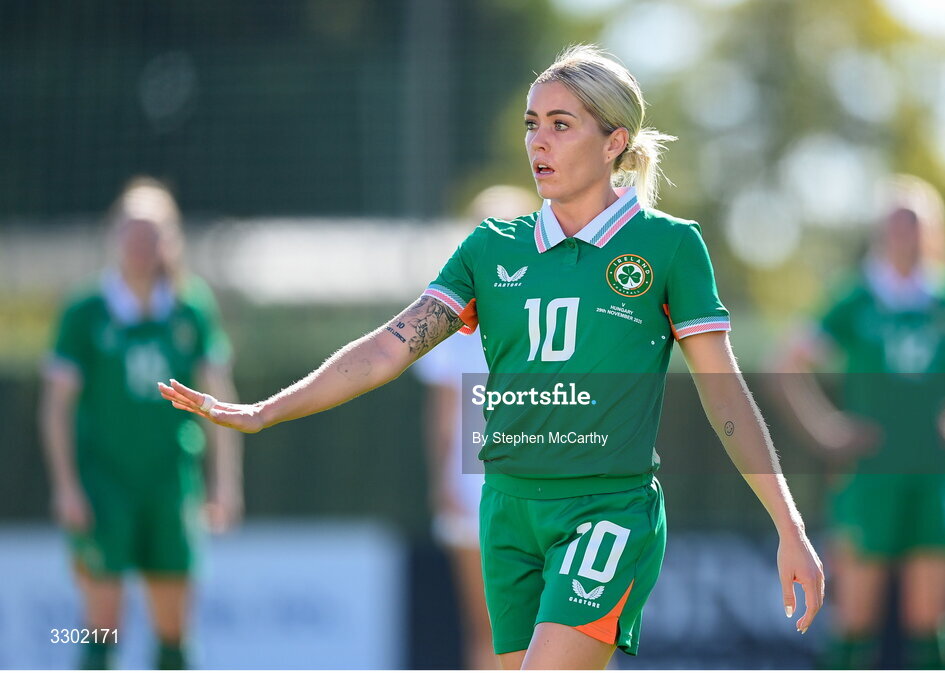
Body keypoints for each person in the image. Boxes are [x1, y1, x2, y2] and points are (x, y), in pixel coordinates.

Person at [160, 45, 823, 670]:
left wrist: (787, 525)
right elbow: (389, 346)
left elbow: (723, 390)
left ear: (613, 142)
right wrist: (266, 410)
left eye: (561, 125)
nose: (538, 141)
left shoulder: (668, 247)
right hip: (506, 512)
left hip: (606, 511)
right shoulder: (491, 247)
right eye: (533, 124)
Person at [774, 175, 945, 669]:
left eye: (916, 223)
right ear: (881, 232)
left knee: (932, 620)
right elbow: (786, 365)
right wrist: (826, 430)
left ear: (935, 232)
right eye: (897, 223)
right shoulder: (855, 299)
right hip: (869, 478)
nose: (907, 234)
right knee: (854, 618)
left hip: (936, 476)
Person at [40, 177, 243, 669]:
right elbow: (56, 408)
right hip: (103, 484)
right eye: (131, 231)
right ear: (113, 236)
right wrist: (66, 487)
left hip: (171, 482)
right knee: (102, 625)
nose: (140, 244)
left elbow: (219, 400)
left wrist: (225, 483)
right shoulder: (86, 311)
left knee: (174, 629)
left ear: (171, 240)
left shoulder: (190, 308)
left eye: (152, 233)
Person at [413, 186, 537, 670]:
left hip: (548, 484)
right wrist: (442, 484)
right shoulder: (451, 315)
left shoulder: (559, 306)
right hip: (473, 489)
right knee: (490, 630)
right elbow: (443, 413)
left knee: (573, 626)